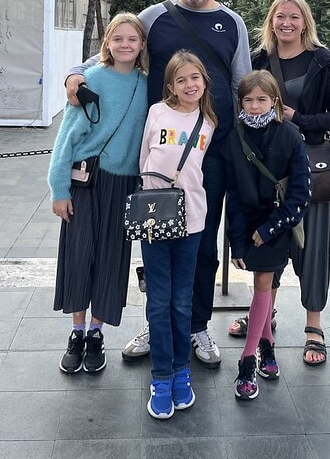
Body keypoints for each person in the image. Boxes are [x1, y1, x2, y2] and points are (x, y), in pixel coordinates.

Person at [65, 0, 251, 368]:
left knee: (202, 245)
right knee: (156, 242)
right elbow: (109, 53)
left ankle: (196, 325)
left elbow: (242, 84)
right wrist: (75, 74)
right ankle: (158, 322)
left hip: (212, 155)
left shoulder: (232, 22)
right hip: (157, 159)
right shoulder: (155, 17)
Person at [228, 0, 330, 366]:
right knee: (267, 243)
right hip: (264, 170)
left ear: (305, 22)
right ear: (271, 21)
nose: (286, 23)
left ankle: (314, 326)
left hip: (308, 170)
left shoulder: (324, 62)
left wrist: (297, 118)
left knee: (311, 249)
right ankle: (265, 314)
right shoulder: (259, 59)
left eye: (294, 17)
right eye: (280, 16)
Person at [49, 13, 148, 374]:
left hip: (123, 185)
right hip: (85, 182)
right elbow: (67, 139)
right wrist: (59, 189)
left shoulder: (146, 85)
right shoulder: (90, 80)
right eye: (117, 38)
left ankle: (96, 333)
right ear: (106, 43)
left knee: (111, 259)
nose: (124, 45)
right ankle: (77, 331)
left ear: (141, 46)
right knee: (79, 255)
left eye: (132, 39)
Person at [224, 70, 310, 400]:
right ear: (240, 101)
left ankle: (247, 360)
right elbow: (232, 192)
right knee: (267, 284)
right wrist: (237, 236)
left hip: (278, 224)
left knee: (264, 283)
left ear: (274, 101)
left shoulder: (289, 135)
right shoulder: (234, 137)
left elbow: (300, 194)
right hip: (247, 223)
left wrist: (269, 228)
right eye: (248, 100)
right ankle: (267, 345)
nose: (255, 106)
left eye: (262, 99)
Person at [139, 50, 217, 419]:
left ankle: (181, 372)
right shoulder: (157, 112)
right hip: (156, 217)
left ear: (204, 81)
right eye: (181, 79)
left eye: (195, 78)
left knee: (182, 300)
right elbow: (144, 161)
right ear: (170, 85)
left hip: (193, 219)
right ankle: (161, 376)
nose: (189, 85)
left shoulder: (209, 121)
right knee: (159, 299)